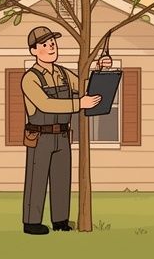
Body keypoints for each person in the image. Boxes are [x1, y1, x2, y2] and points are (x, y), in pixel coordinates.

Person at [20, 26, 102, 235]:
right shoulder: (30, 78)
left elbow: (84, 84)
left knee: (61, 178)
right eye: (45, 45)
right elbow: (45, 104)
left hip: (63, 135)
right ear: (33, 50)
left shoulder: (64, 74)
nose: (51, 48)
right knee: (36, 179)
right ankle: (31, 223)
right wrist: (79, 104)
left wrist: (101, 68)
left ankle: (60, 221)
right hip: (40, 136)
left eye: (53, 44)